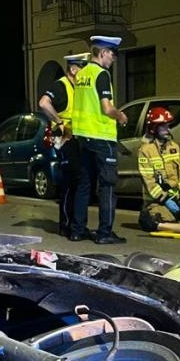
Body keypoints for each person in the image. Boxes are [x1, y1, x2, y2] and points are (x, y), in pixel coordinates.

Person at [69, 35, 128, 244]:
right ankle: (104, 233)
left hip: (83, 137)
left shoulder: (82, 74)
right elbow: (106, 108)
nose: (113, 58)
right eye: (112, 54)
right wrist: (121, 116)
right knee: (107, 186)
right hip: (102, 137)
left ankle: (77, 230)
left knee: (84, 184)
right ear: (102, 53)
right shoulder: (102, 74)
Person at [37, 52, 88, 237]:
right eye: (83, 69)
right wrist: (59, 122)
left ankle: (76, 224)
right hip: (66, 140)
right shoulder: (61, 86)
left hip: (77, 139)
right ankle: (66, 225)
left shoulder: (79, 88)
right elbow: (43, 103)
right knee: (69, 183)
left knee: (79, 182)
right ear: (73, 69)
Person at [136, 106, 180, 231]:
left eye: (168, 125)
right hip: (157, 199)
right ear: (153, 128)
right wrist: (165, 199)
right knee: (167, 221)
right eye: (163, 126)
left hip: (175, 197)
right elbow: (149, 181)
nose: (168, 129)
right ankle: (148, 214)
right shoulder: (145, 150)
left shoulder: (174, 147)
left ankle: (176, 212)